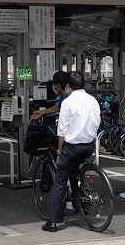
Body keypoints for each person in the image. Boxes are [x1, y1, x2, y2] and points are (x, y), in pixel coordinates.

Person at [42, 71, 101, 232]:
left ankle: (53, 221)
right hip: (88, 145)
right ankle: (79, 203)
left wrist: (60, 149)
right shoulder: (92, 101)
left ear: (68, 87)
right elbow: (97, 122)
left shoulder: (68, 102)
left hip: (72, 147)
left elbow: (62, 130)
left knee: (60, 180)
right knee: (74, 172)